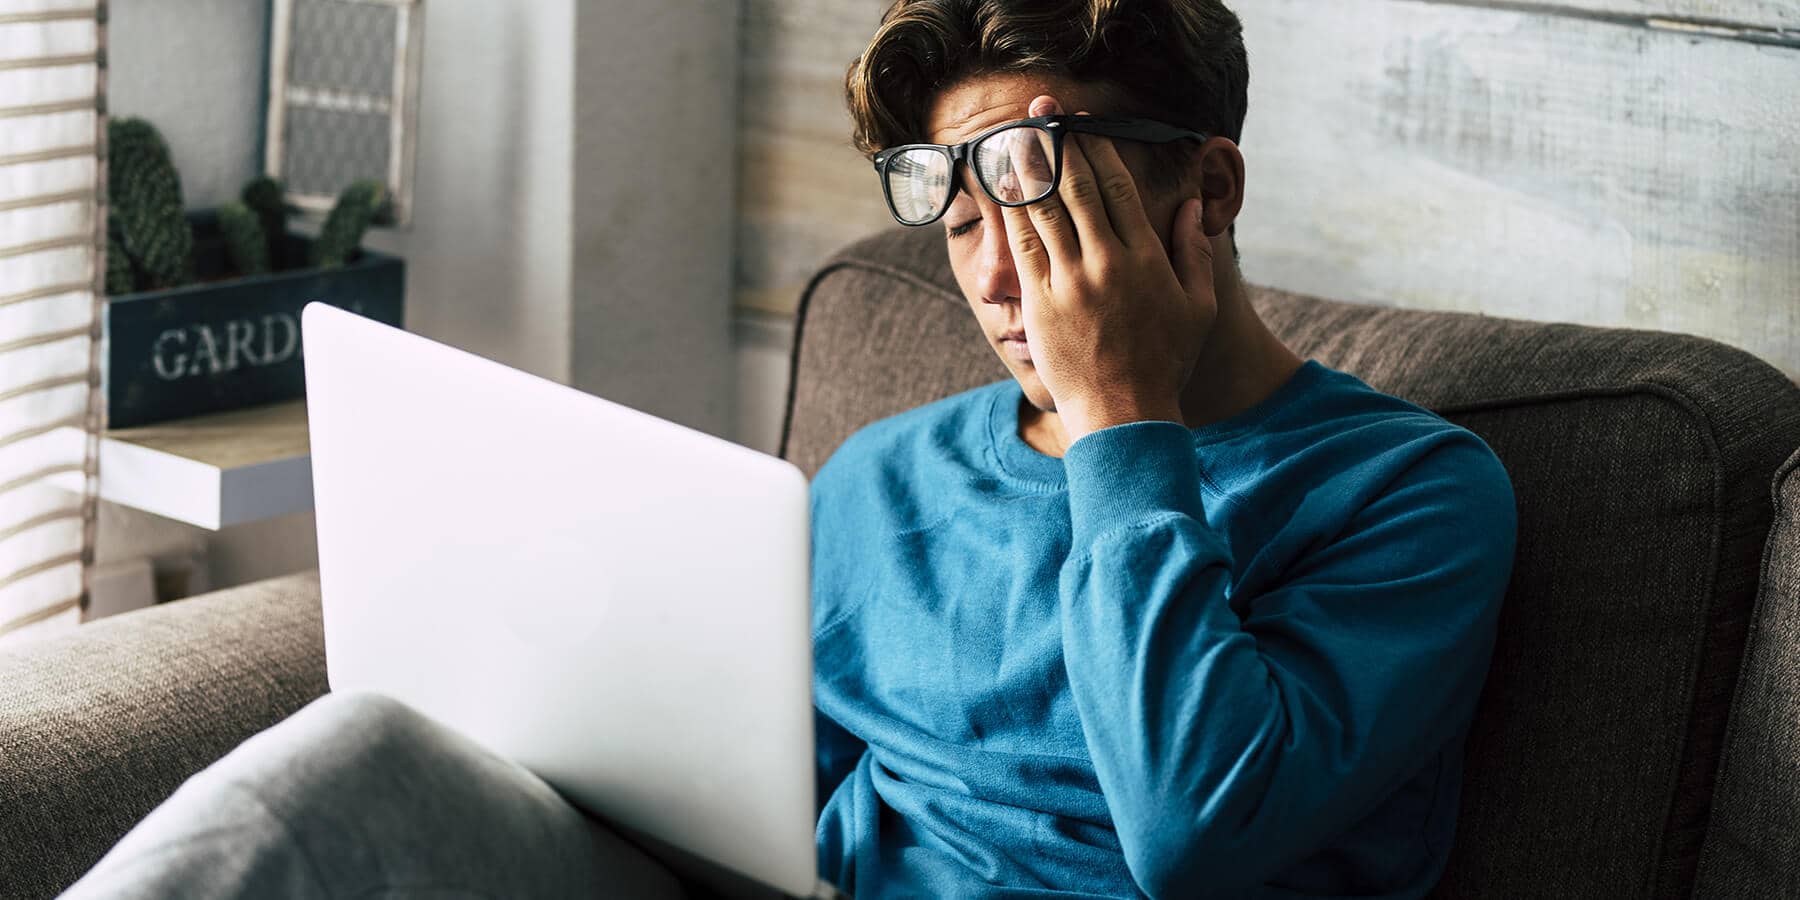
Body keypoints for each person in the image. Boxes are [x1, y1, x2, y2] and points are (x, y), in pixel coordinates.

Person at [61, 1, 1516, 897]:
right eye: (961, 229)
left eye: (1045, 208)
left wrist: (1120, 423)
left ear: (1209, 189)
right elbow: (745, 805)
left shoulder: (1411, 494)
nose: (1002, 281)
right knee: (368, 757)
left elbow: (1192, 827)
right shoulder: (884, 481)